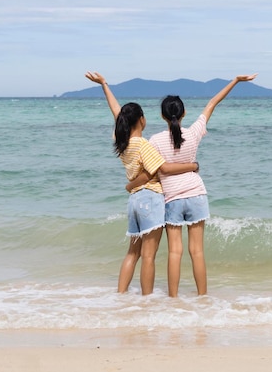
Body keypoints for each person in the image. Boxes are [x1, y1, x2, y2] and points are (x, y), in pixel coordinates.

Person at [127, 74, 257, 297]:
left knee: (174, 252)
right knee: (197, 252)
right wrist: (235, 81)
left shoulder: (155, 140)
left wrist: (130, 185)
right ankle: (202, 298)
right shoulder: (194, 133)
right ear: (184, 113)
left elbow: (153, 167)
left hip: (171, 198)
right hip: (197, 194)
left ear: (162, 116)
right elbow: (213, 102)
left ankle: (174, 299)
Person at [85, 71, 199, 295]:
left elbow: (116, 113)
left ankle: (121, 295)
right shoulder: (144, 145)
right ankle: (146, 303)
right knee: (149, 255)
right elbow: (162, 169)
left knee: (132, 253)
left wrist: (104, 85)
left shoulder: (123, 142)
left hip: (134, 201)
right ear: (141, 120)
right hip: (150, 198)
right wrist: (192, 166)